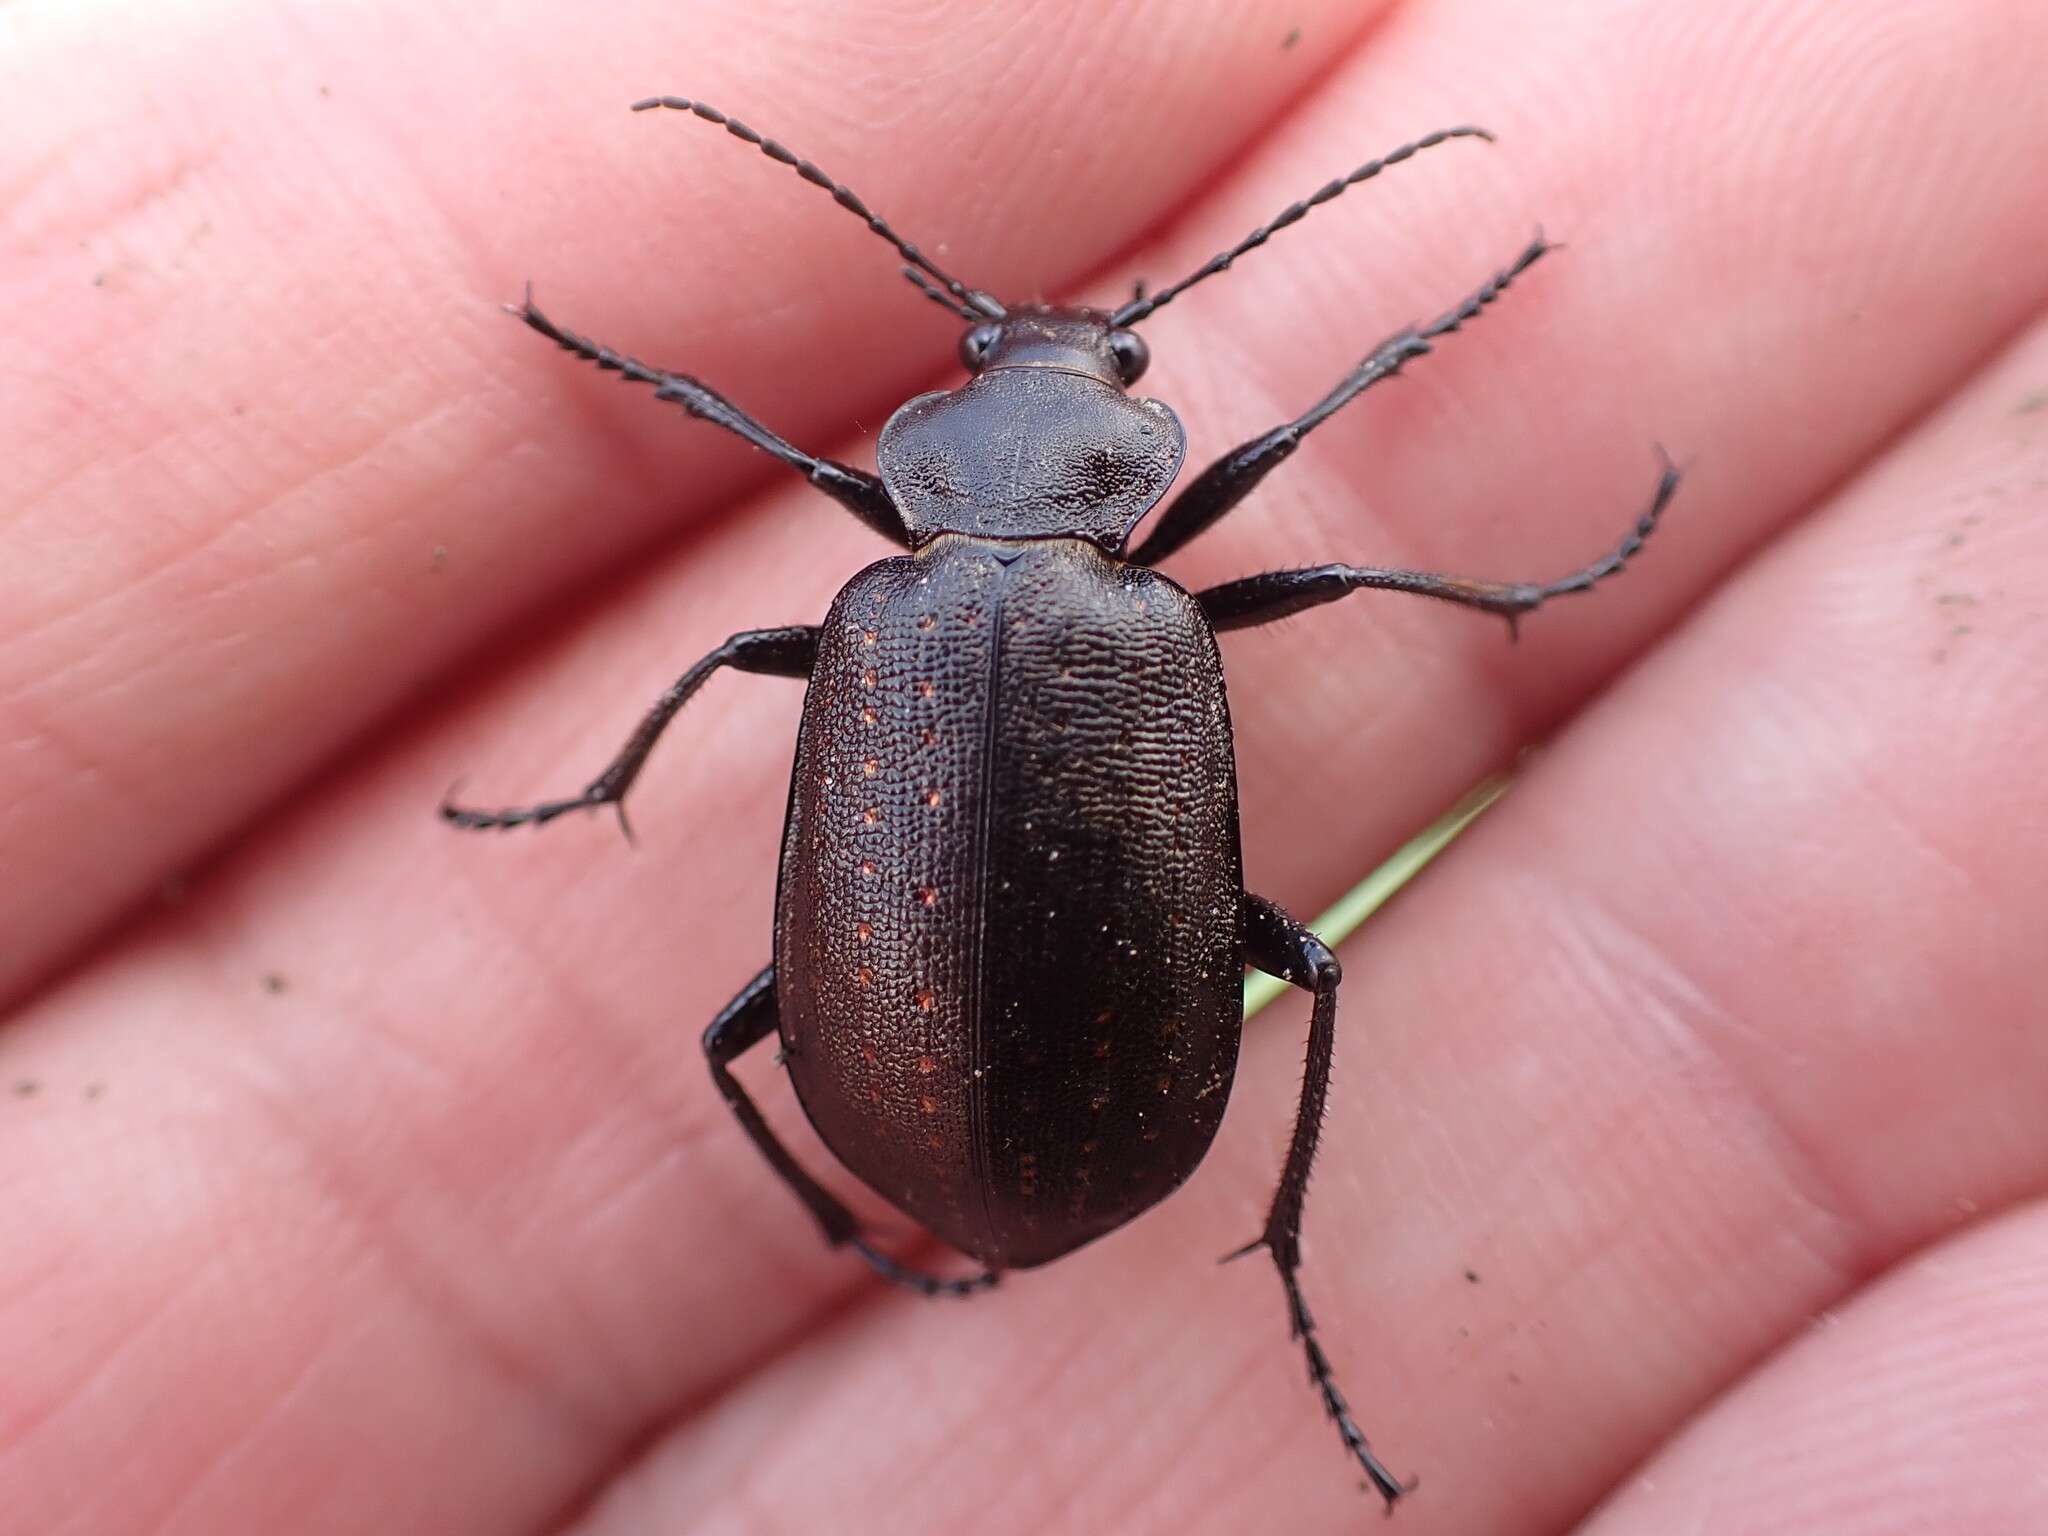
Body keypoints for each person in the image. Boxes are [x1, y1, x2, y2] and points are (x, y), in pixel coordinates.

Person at [4, 2, 2044, 1530]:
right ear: (1123, 442)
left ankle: (1089, 1238)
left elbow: (760, 568)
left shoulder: (892, 609)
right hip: (1065, 1091)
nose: (1049, 352)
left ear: (946, 431)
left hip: (907, 1089)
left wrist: (658, 385)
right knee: (1292, 953)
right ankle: (1265, 1262)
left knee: (744, 1007)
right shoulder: (1099, 607)